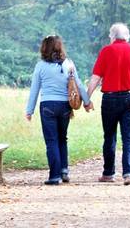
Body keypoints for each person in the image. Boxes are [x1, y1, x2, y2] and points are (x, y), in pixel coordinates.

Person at [86, 23, 130, 186]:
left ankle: (108, 173)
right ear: (127, 36)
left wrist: (86, 98)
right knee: (128, 138)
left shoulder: (106, 51)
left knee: (109, 136)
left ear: (112, 36)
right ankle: (128, 174)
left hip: (110, 99)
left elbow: (96, 77)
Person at [25, 35, 92, 185]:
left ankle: (54, 176)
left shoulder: (40, 66)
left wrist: (29, 110)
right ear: (60, 47)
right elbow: (79, 85)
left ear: (44, 48)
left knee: (51, 141)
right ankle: (64, 171)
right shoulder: (68, 64)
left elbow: (34, 90)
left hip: (47, 106)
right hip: (64, 106)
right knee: (63, 138)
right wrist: (87, 102)